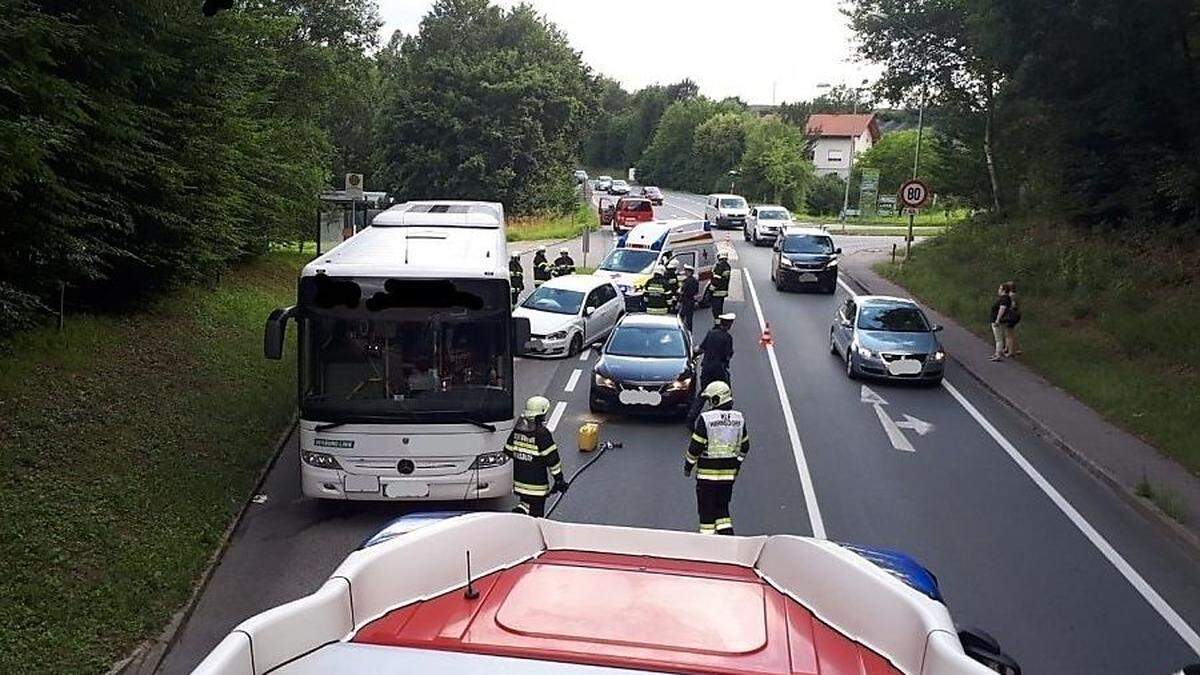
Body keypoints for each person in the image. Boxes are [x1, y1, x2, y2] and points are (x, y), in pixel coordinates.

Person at [684, 381, 749, 535]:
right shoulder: (739, 419)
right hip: (728, 477)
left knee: (706, 514)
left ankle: (708, 547)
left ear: (716, 399)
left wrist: (688, 465)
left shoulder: (707, 419)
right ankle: (727, 541)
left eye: (710, 400)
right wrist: (737, 465)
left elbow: (695, 447)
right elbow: (745, 446)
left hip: (707, 476)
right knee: (722, 512)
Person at [504, 396, 568, 517]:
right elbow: (552, 460)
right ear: (541, 414)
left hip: (520, 483)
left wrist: (524, 456)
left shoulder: (518, 430)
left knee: (526, 506)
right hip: (537, 487)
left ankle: (521, 511)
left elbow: (508, 450)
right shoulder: (542, 434)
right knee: (537, 518)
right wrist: (559, 480)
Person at [688, 313, 735, 426]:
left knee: (704, 393)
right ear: (728, 325)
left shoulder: (710, 334)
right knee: (725, 392)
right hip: (719, 369)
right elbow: (728, 355)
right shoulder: (727, 338)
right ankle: (723, 417)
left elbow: (701, 348)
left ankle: (691, 418)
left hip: (707, 368)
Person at [989, 282, 1013, 361]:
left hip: (998, 321)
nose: (998, 290)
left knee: (998, 339)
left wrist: (997, 320)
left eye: (1000, 288)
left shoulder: (1004, 299)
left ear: (1003, 290)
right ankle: (997, 353)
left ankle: (998, 355)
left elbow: (1002, 309)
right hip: (1000, 320)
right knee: (999, 338)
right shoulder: (1006, 298)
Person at [710, 250, 731, 320]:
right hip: (723, 291)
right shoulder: (727, 266)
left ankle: (717, 325)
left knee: (716, 311)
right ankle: (719, 323)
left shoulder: (719, 266)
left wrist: (710, 290)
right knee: (720, 309)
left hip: (717, 292)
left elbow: (716, 279)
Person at [1003, 280, 1022, 357]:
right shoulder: (1015, 294)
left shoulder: (1010, 295)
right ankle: (1014, 348)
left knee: (1008, 333)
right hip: (1016, 314)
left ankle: (1010, 351)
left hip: (1011, 315)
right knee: (1011, 332)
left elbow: (1013, 305)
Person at [678, 264, 699, 332]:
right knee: (689, 318)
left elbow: (683, 291)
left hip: (686, 301)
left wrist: (680, 295)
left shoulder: (686, 281)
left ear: (689, 272)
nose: (685, 272)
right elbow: (696, 291)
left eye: (686, 271)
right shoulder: (695, 280)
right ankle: (689, 332)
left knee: (681, 317)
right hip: (691, 301)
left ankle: (681, 331)